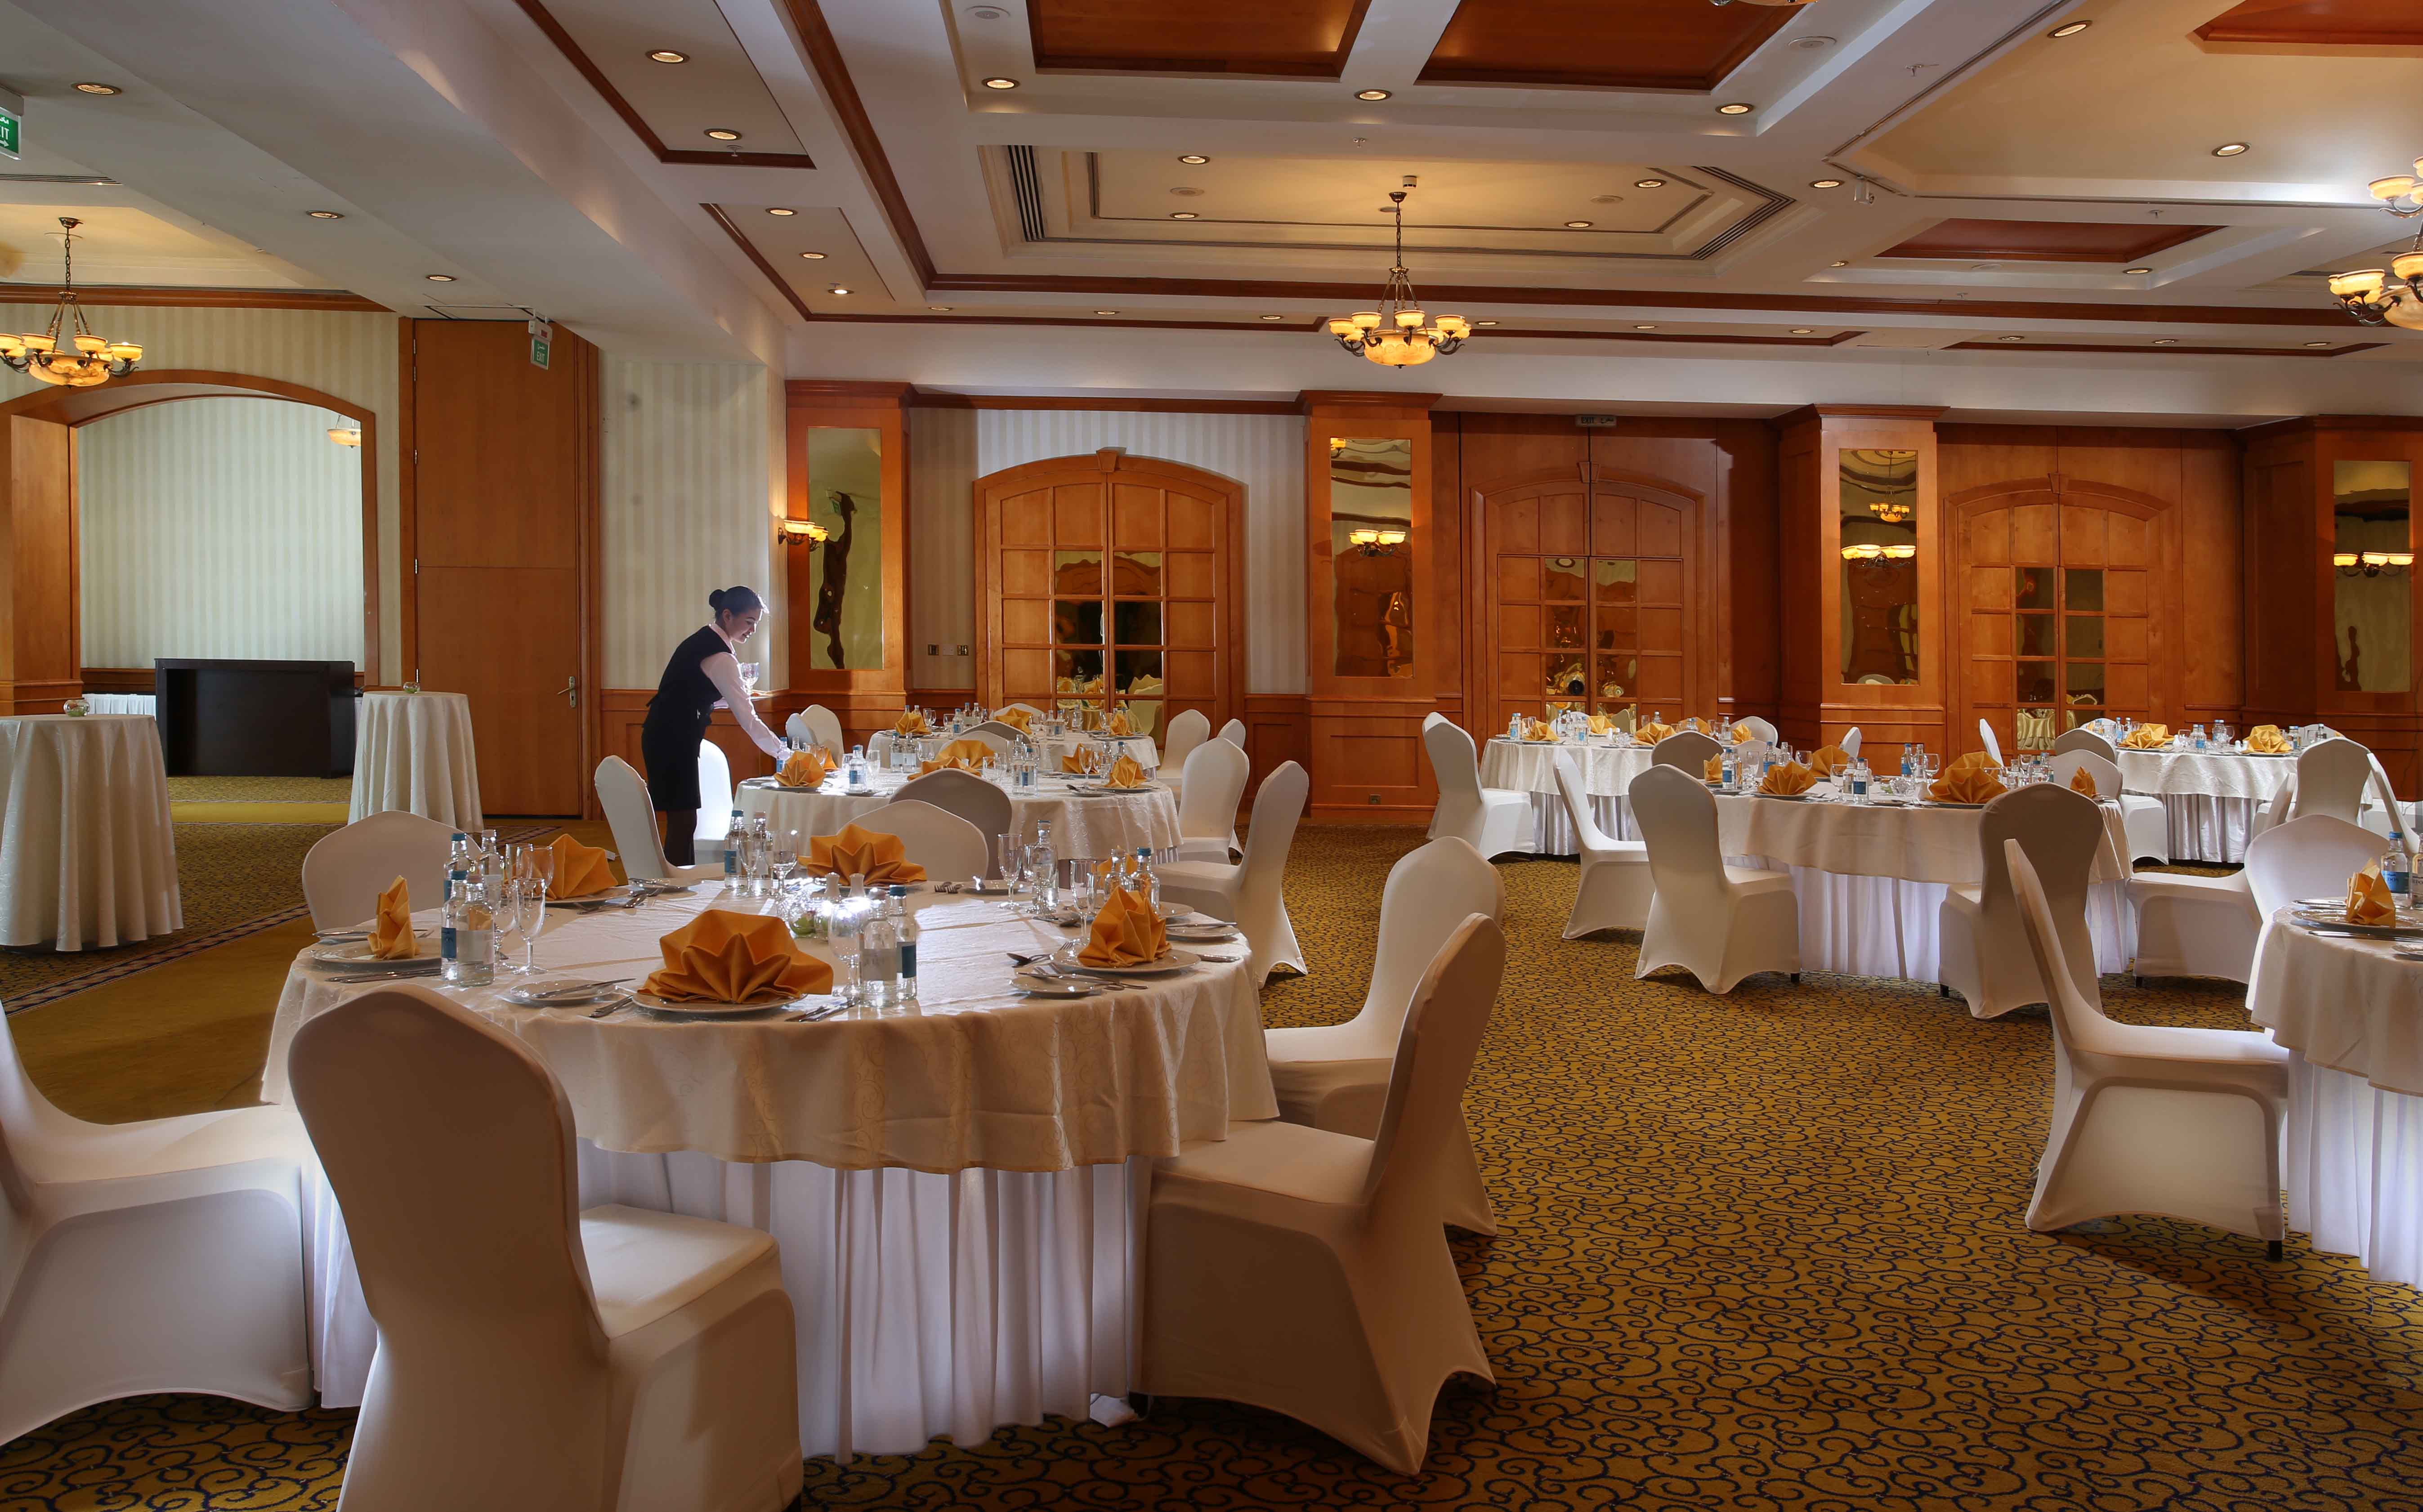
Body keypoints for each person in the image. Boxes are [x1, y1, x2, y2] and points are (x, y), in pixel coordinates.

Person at [640, 586, 787, 865]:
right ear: (728, 616)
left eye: (756, 623)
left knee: (684, 820)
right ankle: (674, 883)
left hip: (667, 734)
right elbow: (749, 720)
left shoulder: (707, 640)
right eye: (749, 622)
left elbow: (693, 694)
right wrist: (784, 753)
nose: (753, 630)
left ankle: (680, 880)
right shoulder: (720, 656)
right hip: (672, 739)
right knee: (683, 821)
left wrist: (735, 696)